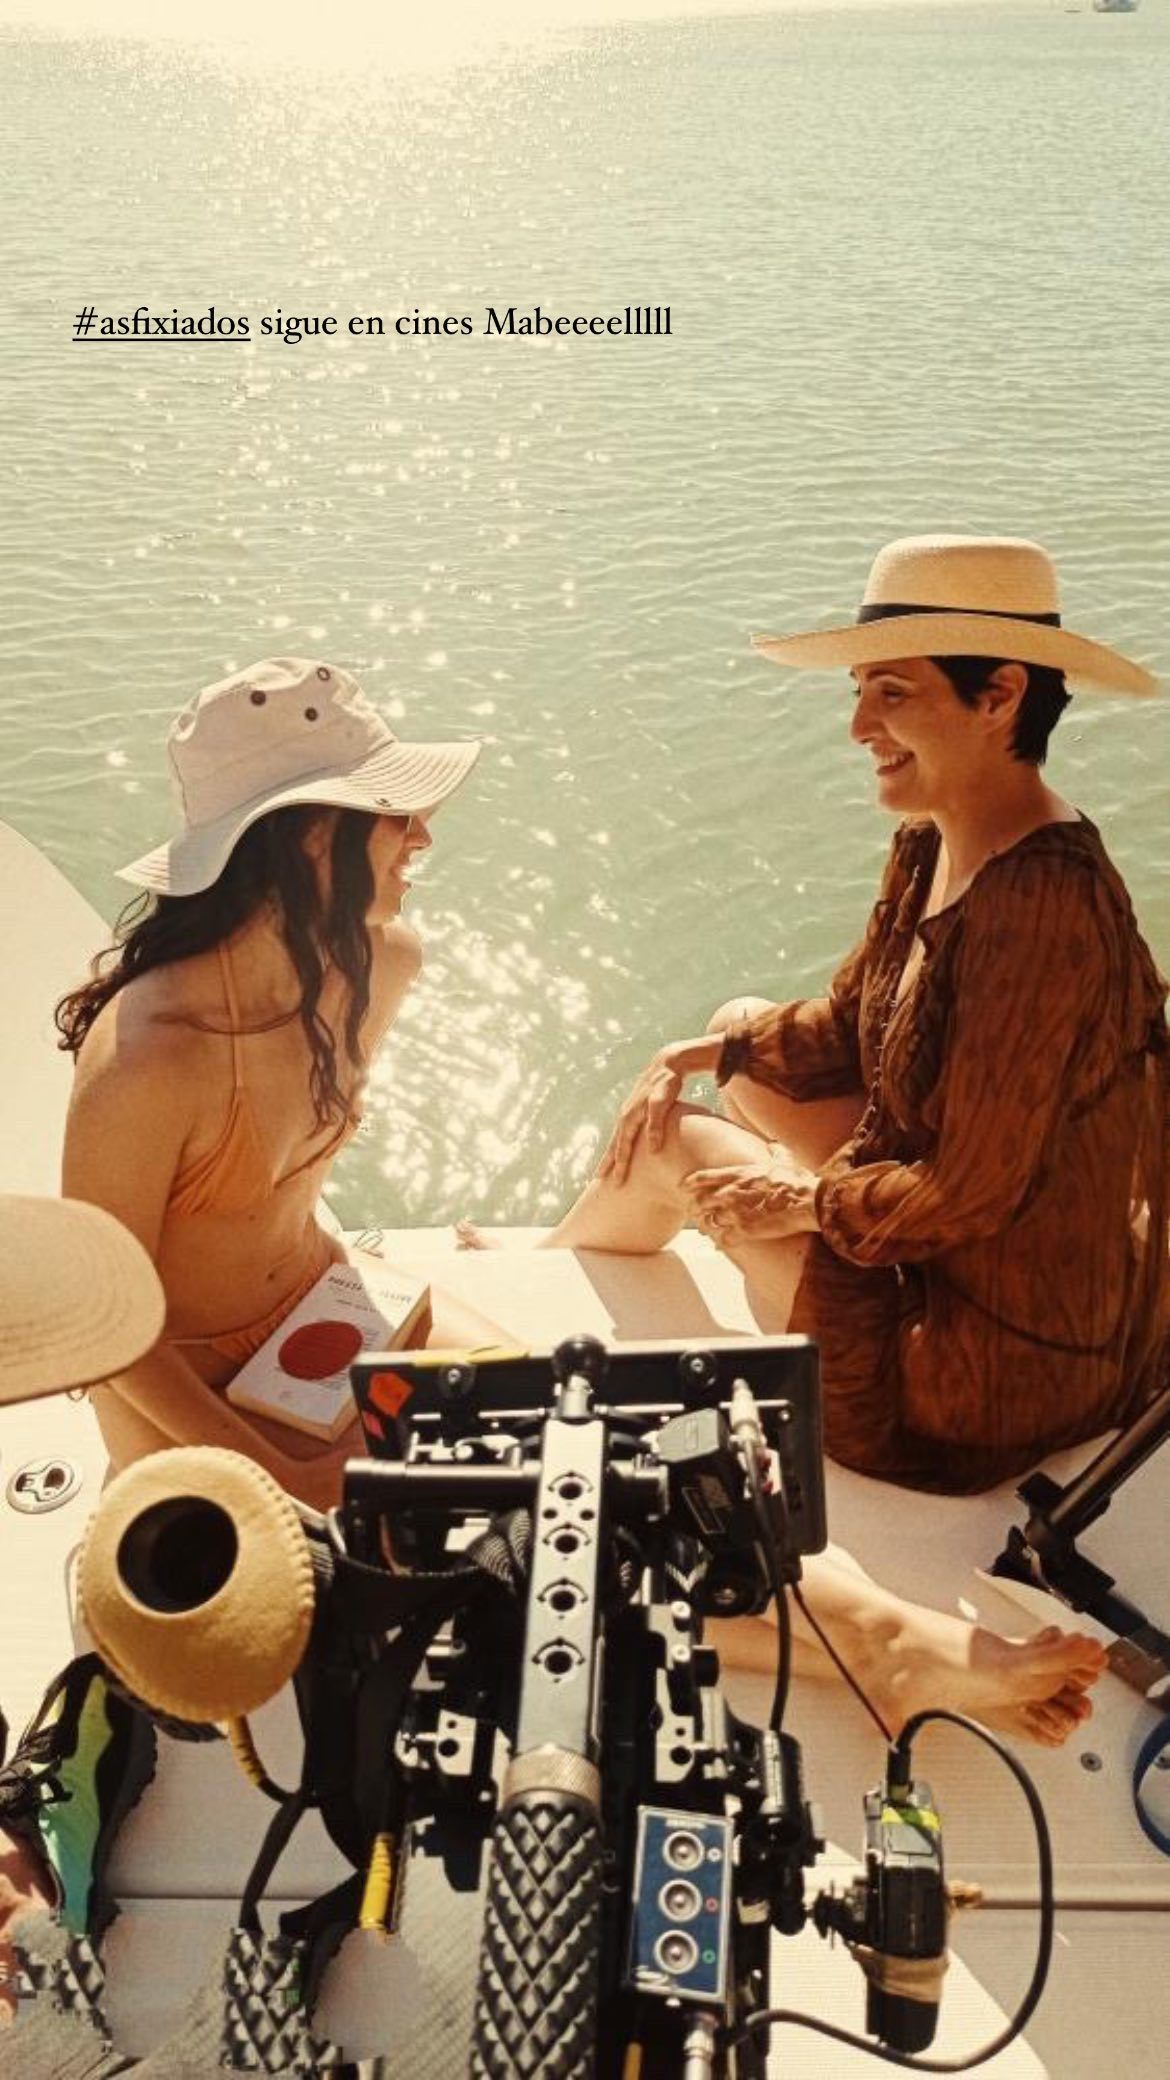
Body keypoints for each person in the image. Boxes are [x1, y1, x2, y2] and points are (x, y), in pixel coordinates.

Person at [463, 536, 1169, 1498]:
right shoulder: (936, 839)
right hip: (976, 1262)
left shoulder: (1041, 908)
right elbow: (849, 1025)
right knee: (742, 1032)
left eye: (893, 693)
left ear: (1000, 696)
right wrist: (698, 1050)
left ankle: (534, 1277)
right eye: (859, 691)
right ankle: (589, 1244)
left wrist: (803, 1203)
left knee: (677, 1143)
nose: (858, 727)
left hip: (988, 1369)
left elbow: (971, 1192)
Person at [54, 657, 509, 1515]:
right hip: (183, 1380)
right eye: (396, 812)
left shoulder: (385, 964)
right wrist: (287, 1474)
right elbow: (100, 1319)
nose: (423, 837)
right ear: (312, 835)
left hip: (325, 1301)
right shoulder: (150, 1055)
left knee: (558, 1421)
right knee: (381, 1553)